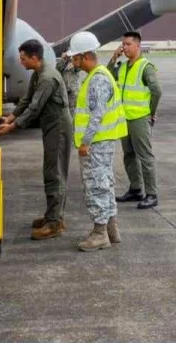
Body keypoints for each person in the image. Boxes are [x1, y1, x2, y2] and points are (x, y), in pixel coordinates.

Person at [0, 39, 73, 240]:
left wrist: (13, 126)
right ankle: (52, 215)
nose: (20, 62)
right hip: (51, 126)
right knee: (50, 170)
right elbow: (27, 100)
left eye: (23, 59)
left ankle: (55, 222)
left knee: (54, 173)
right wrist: (10, 117)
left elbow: (34, 108)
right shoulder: (38, 73)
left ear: (34, 58)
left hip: (58, 128)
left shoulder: (47, 78)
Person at [66, 31, 127, 252]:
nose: (73, 61)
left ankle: (100, 233)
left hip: (96, 143)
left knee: (96, 186)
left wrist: (86, 142)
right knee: (106, 183)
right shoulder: (98, 75)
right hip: (102, 142)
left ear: (85, 56)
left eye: (75, 57)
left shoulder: (98, 79)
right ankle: (112, 230)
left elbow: (97, 114)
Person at [109, 31, 162, 209]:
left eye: (127, 44)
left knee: (145, 157)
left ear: (138, 45)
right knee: (129, 156)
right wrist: (113, 58)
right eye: (122, 44)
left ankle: (152, 194)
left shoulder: (145, 67)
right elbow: (107, 77)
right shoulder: (122, 66)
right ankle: (135, 189)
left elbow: (157, 91)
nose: (124, 47)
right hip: (125, 119)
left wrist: (150, 112)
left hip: (139, 118)